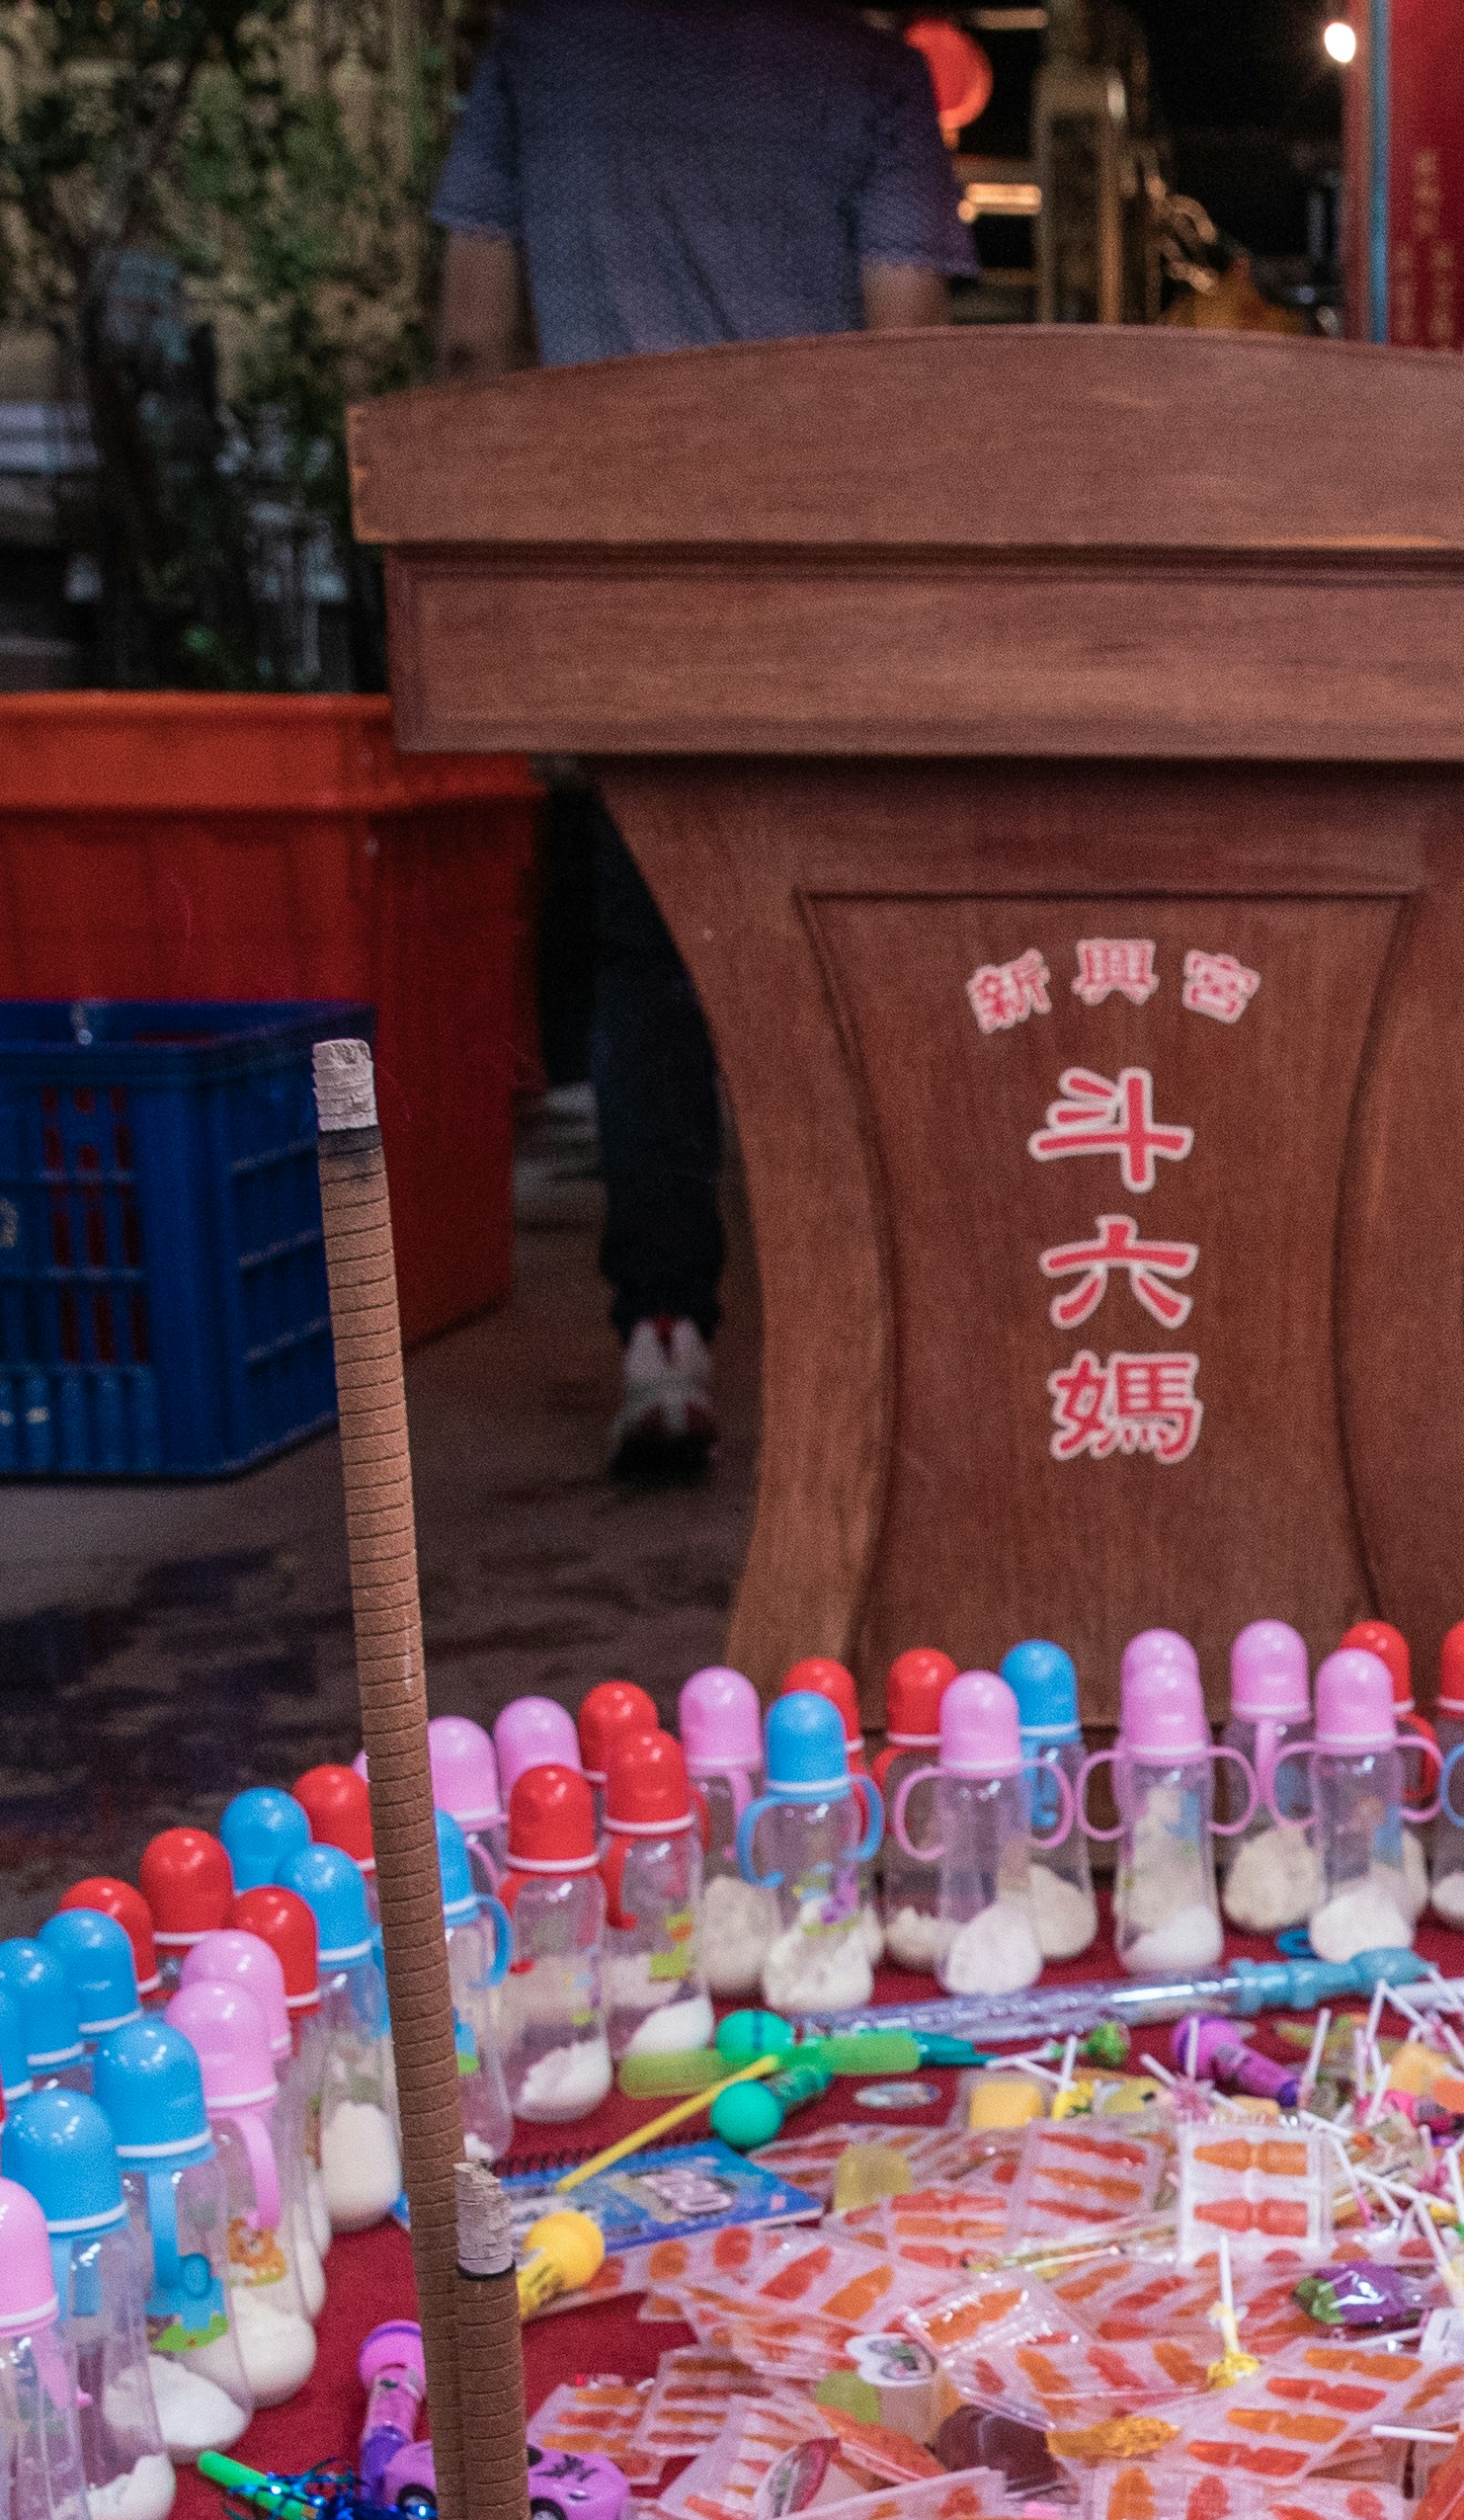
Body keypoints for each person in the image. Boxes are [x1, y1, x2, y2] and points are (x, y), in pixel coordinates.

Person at [434, 0, 975, 1484]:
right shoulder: (871, 79)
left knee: (650, 963)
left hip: (625, 601)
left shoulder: (544, 55)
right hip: (818, 614)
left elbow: (472, 342)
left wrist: (516, 598)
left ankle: (665, 1339)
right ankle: (876, 1353)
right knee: (843, 968)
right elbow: (905, 368)